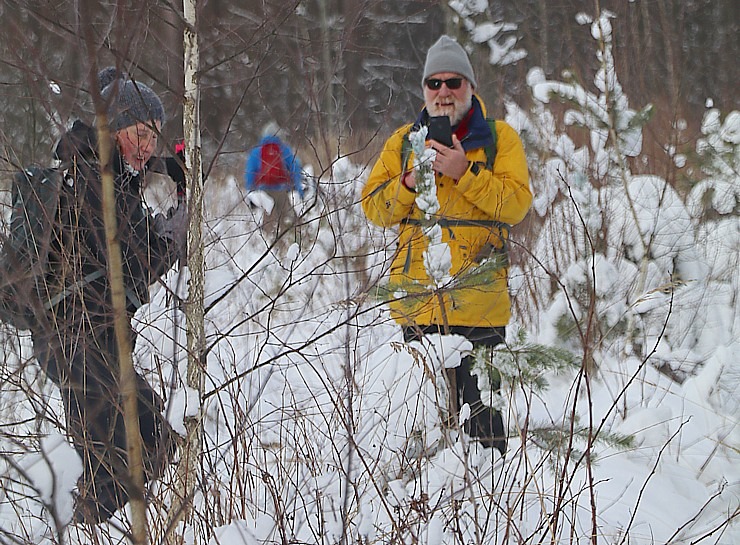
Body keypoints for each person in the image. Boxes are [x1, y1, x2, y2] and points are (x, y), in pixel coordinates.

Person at [26, 67, 187, 522]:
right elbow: (139, 261)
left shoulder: (96, 170)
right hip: (75, 341)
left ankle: (100, 523)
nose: (148, 145)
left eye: (154, 135)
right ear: (113, 130)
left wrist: (168, 172)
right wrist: (178, 227)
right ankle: (90, 529)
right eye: (139, 133)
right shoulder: (94, 181)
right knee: (118, 455)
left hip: (85, 339)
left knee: (147, 439)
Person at [362, 36, 532, 455]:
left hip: (482, 312)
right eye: (434, 83)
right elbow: (373, 208)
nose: (443, 93)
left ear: (470, 87)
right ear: (423, 90)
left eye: (453, 82)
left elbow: (516, 205)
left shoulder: (499, 140)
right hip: (419, 310)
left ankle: (491, 520)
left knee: (484, 441)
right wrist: (407, 182)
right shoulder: (404, 143)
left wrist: (465, 172)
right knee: (422, 443)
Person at [244, 122, 304, 238]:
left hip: (263, 192)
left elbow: (249, 174)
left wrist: (250, 193)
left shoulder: (257, 152)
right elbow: (295, 169)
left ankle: (269, 246)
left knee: (268, 223)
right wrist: (299, 190)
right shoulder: (284, 150)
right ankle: (287, 243)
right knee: (287, 221)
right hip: (282, 190)